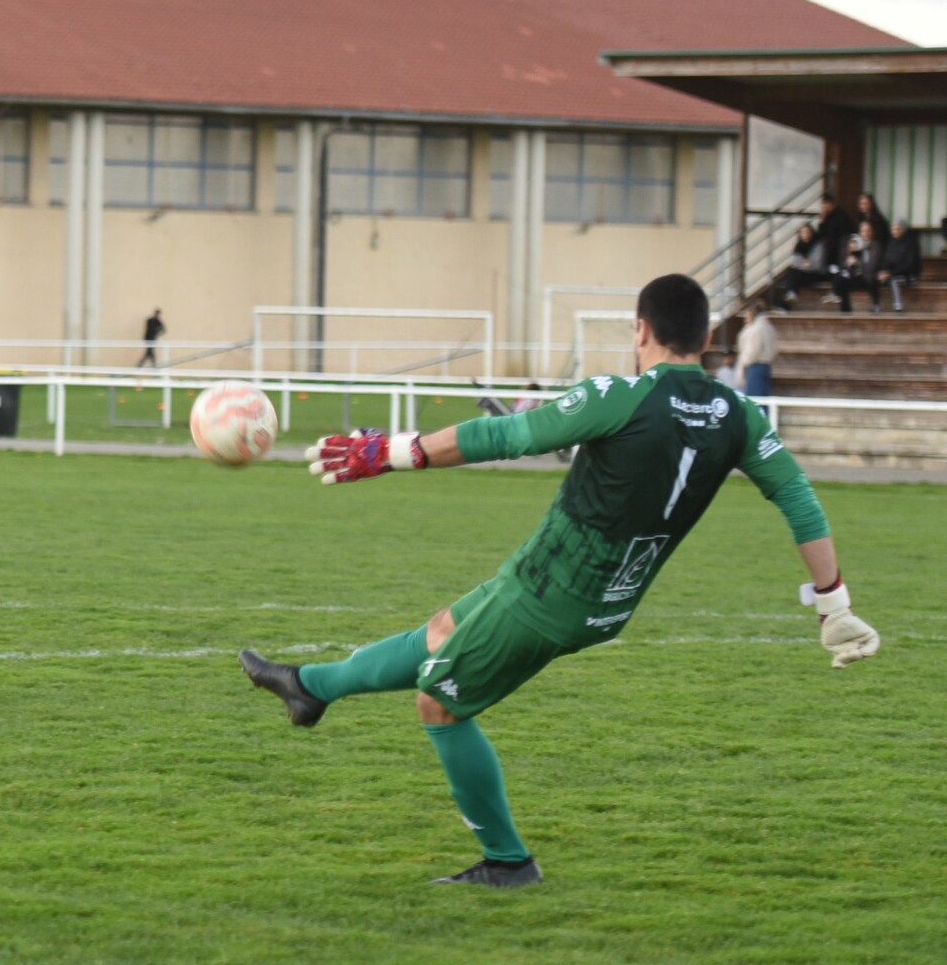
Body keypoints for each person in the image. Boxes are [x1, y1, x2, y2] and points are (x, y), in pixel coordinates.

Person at [238, 273, 879, 888]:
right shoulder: (738, 414)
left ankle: (507, 861)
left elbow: (507, 433)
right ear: (706, 339)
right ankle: (309, 687)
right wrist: (834, 604)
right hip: (600, 593)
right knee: (442, 632)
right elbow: (798, 497)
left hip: (555, 593)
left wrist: (392, 452)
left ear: (640, 330)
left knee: (439, 703)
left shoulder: (618, 396)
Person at [831, 222, 883, 313]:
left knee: (872, 279)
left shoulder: (875, 246)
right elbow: (844, 262)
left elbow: (871, 265)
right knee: (841, 279)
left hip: (869, 277)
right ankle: (845, 309)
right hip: (856, 275)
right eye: (863, 231)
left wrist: (857, 262)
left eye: (868, 231)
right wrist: (847, 261)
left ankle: (875, 305)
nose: (865, 233)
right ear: (860, 232)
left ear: (872, 232)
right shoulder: (855, 243)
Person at [775, 223, 826, 309]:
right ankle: (789, 297)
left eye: (807, 231)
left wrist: (802, 265)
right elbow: (796, 262)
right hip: (802, 274)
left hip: (815, 274)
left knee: (792, 275)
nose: (805, 234)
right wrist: (806, 263)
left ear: (811, 232)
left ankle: (785, 303)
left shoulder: (818, 245)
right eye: (802, 232)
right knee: (791, 272)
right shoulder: (798, 246)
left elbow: (816, 265)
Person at [735, 299, 778, 397]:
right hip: (764, 366)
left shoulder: (758, 328)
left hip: (755, 366)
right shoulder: (768, 327)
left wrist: (745, 362)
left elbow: (753, 351)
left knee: (755, 398)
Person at [877, 220, 921, 313]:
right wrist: (883, 271)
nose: (895, 231)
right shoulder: (891, 242)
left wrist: (891, 273)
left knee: (893, 280)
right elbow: (886, 260)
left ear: (903, 230)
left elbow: (910, 264)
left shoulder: (911, 243)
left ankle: (898, 306)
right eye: (893, 229)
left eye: (897, 229)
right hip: (893, 273)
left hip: (909, 275)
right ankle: (876, 305)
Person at [813, 193, 856, 283]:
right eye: (823, 206)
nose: (825, 208)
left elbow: (846, 232)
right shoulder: (826, 217)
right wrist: (822, 222)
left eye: (826, 205)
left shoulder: (841, 215)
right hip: (831, 246)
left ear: (832, 204)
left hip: (841, 244)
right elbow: (820, 236)